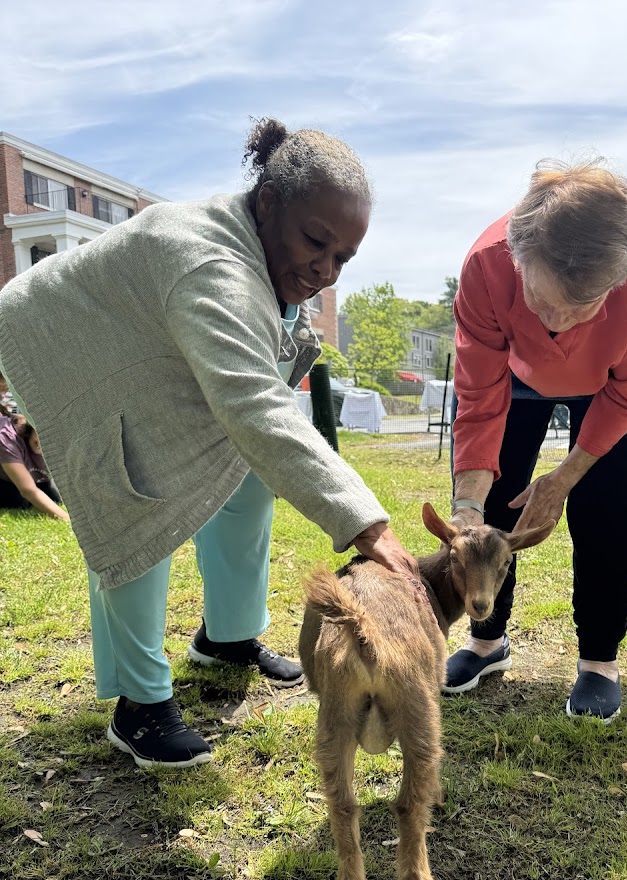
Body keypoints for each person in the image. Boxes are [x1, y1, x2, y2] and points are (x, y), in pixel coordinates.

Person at [0, 117, 419, 769]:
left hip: (142, 343)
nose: (326, 270)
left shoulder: (266, 253)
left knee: (245, 476)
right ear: (271, 202)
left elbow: (258, 400)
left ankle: (227, 636)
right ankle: (139, 704)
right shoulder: (209, 262)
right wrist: (371, 527)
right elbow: (255, 404)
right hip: (62, 346)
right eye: (317, 243)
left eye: (343, 258)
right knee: (138, 484)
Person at [444, 160, 627, 722]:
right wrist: (467, 504)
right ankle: (486, 641)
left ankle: (599, 660)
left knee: (608, 510)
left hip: (613, 382)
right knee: (495, 504)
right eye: (545, 305)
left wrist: (564, 479)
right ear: (518, 263)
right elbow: (479, 400)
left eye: (582, 308)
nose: (562, 325)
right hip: (516, 376)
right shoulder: (486, 266)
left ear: (617, 282)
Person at [0, 415, 69, 520]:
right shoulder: (7, 437)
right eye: (43, 435)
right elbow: (27, 489)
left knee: (56, 499)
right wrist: (66, 519)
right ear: (33, 425)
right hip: (5, 480)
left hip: (36, 476)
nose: (44, 443)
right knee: (19, 501)